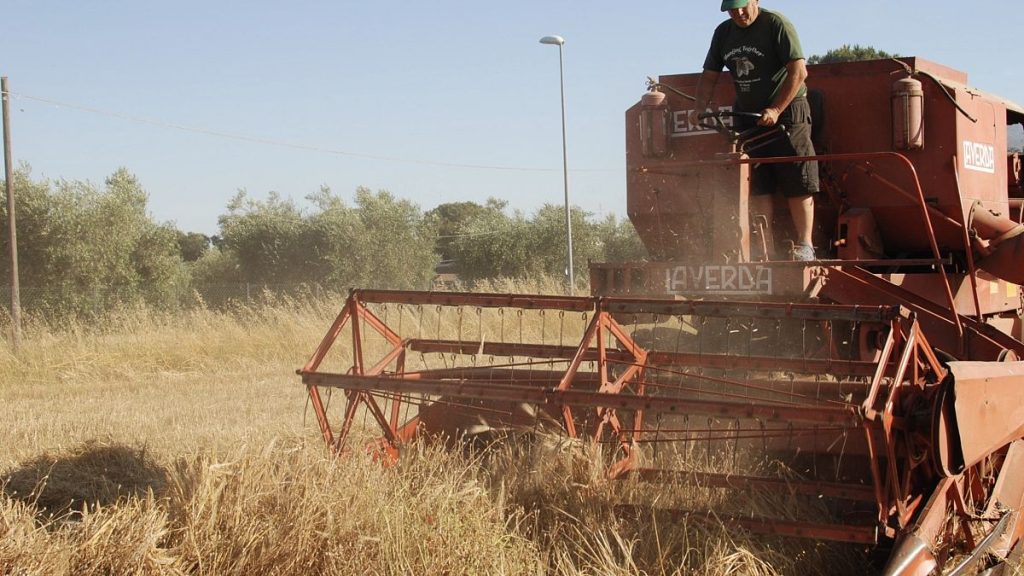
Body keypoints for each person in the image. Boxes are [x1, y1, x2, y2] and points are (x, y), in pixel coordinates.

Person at [693, 0, 819, 261]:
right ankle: (766, 251)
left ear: (756, 1)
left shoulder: (776, 24)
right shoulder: (723, 33)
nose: (738, 13)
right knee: (759, 186)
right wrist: (699, 107)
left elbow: (798, 72)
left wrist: (775, 109)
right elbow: (709, 76)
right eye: (731, 9)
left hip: (787, 113)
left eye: (742, 6)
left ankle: (806, 246)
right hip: (749, 117)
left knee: (798, 180)